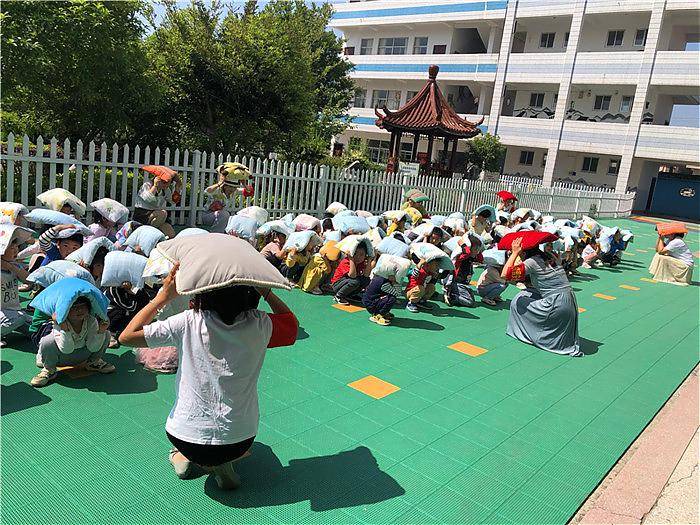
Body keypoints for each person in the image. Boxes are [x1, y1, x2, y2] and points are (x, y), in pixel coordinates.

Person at [118, 265, 298, 489]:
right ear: (249, 294)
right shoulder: (261, 324)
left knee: (190, 439)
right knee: (248, 446)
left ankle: (184, 457)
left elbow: (126, 337)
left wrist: (162, 297)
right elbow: (291, 325)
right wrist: (266, 291)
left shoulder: (188, 321)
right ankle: (222, 460)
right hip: (240, 439)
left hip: (184, 435)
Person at [501, 235, 582, 357]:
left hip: (556, 304)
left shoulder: (531, 261)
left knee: (519, 300)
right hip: (570, 302)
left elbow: (504, 275)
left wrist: (514, 253)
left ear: (523, 251)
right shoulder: (550, 256)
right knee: (529, 292)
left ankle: (529, 333)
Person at [31, 297, 114, 387]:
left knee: (106, 334)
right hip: (61, 358)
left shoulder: (91, 321)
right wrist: (65, 329)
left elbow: (93, 347)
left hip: (83, 356)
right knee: (47, 341)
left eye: (83, 306)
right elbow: (66, 349)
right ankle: (49, 369)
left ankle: (94, 362)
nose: (80, 310)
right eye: (73, 307)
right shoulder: (59, 323)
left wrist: (101, 331)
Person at [1, 227, 32, 347]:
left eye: (16, 247)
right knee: (21, 318)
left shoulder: (14, 266)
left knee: (34, 331)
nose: (15, 251)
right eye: (11, 248)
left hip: (13, 312)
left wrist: (12, 267)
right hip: (5, 313)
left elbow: (29, 281)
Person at [133, 168, 181, 239]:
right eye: (164, 182)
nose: (167, 185)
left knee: (171, 234)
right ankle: (147, 236)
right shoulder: (147, 185)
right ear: (157, 179)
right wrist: (155, 186)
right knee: (163, 213)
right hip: (142, 214)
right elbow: (148, 199)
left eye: (169, 182)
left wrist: (177, 187)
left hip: (157, 216)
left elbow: (174, 201)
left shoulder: (166, 190)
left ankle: (154, 234)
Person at [104, 282, 151, 348]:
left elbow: (146, 300)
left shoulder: (135, 286)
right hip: (110, 314)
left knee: (141, 309)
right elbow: (129, 307)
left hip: (126, 312)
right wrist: (132, 294)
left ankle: (132, 330)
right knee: (120, 311)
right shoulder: (113, 289)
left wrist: (133, 290)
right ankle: (111, 334)